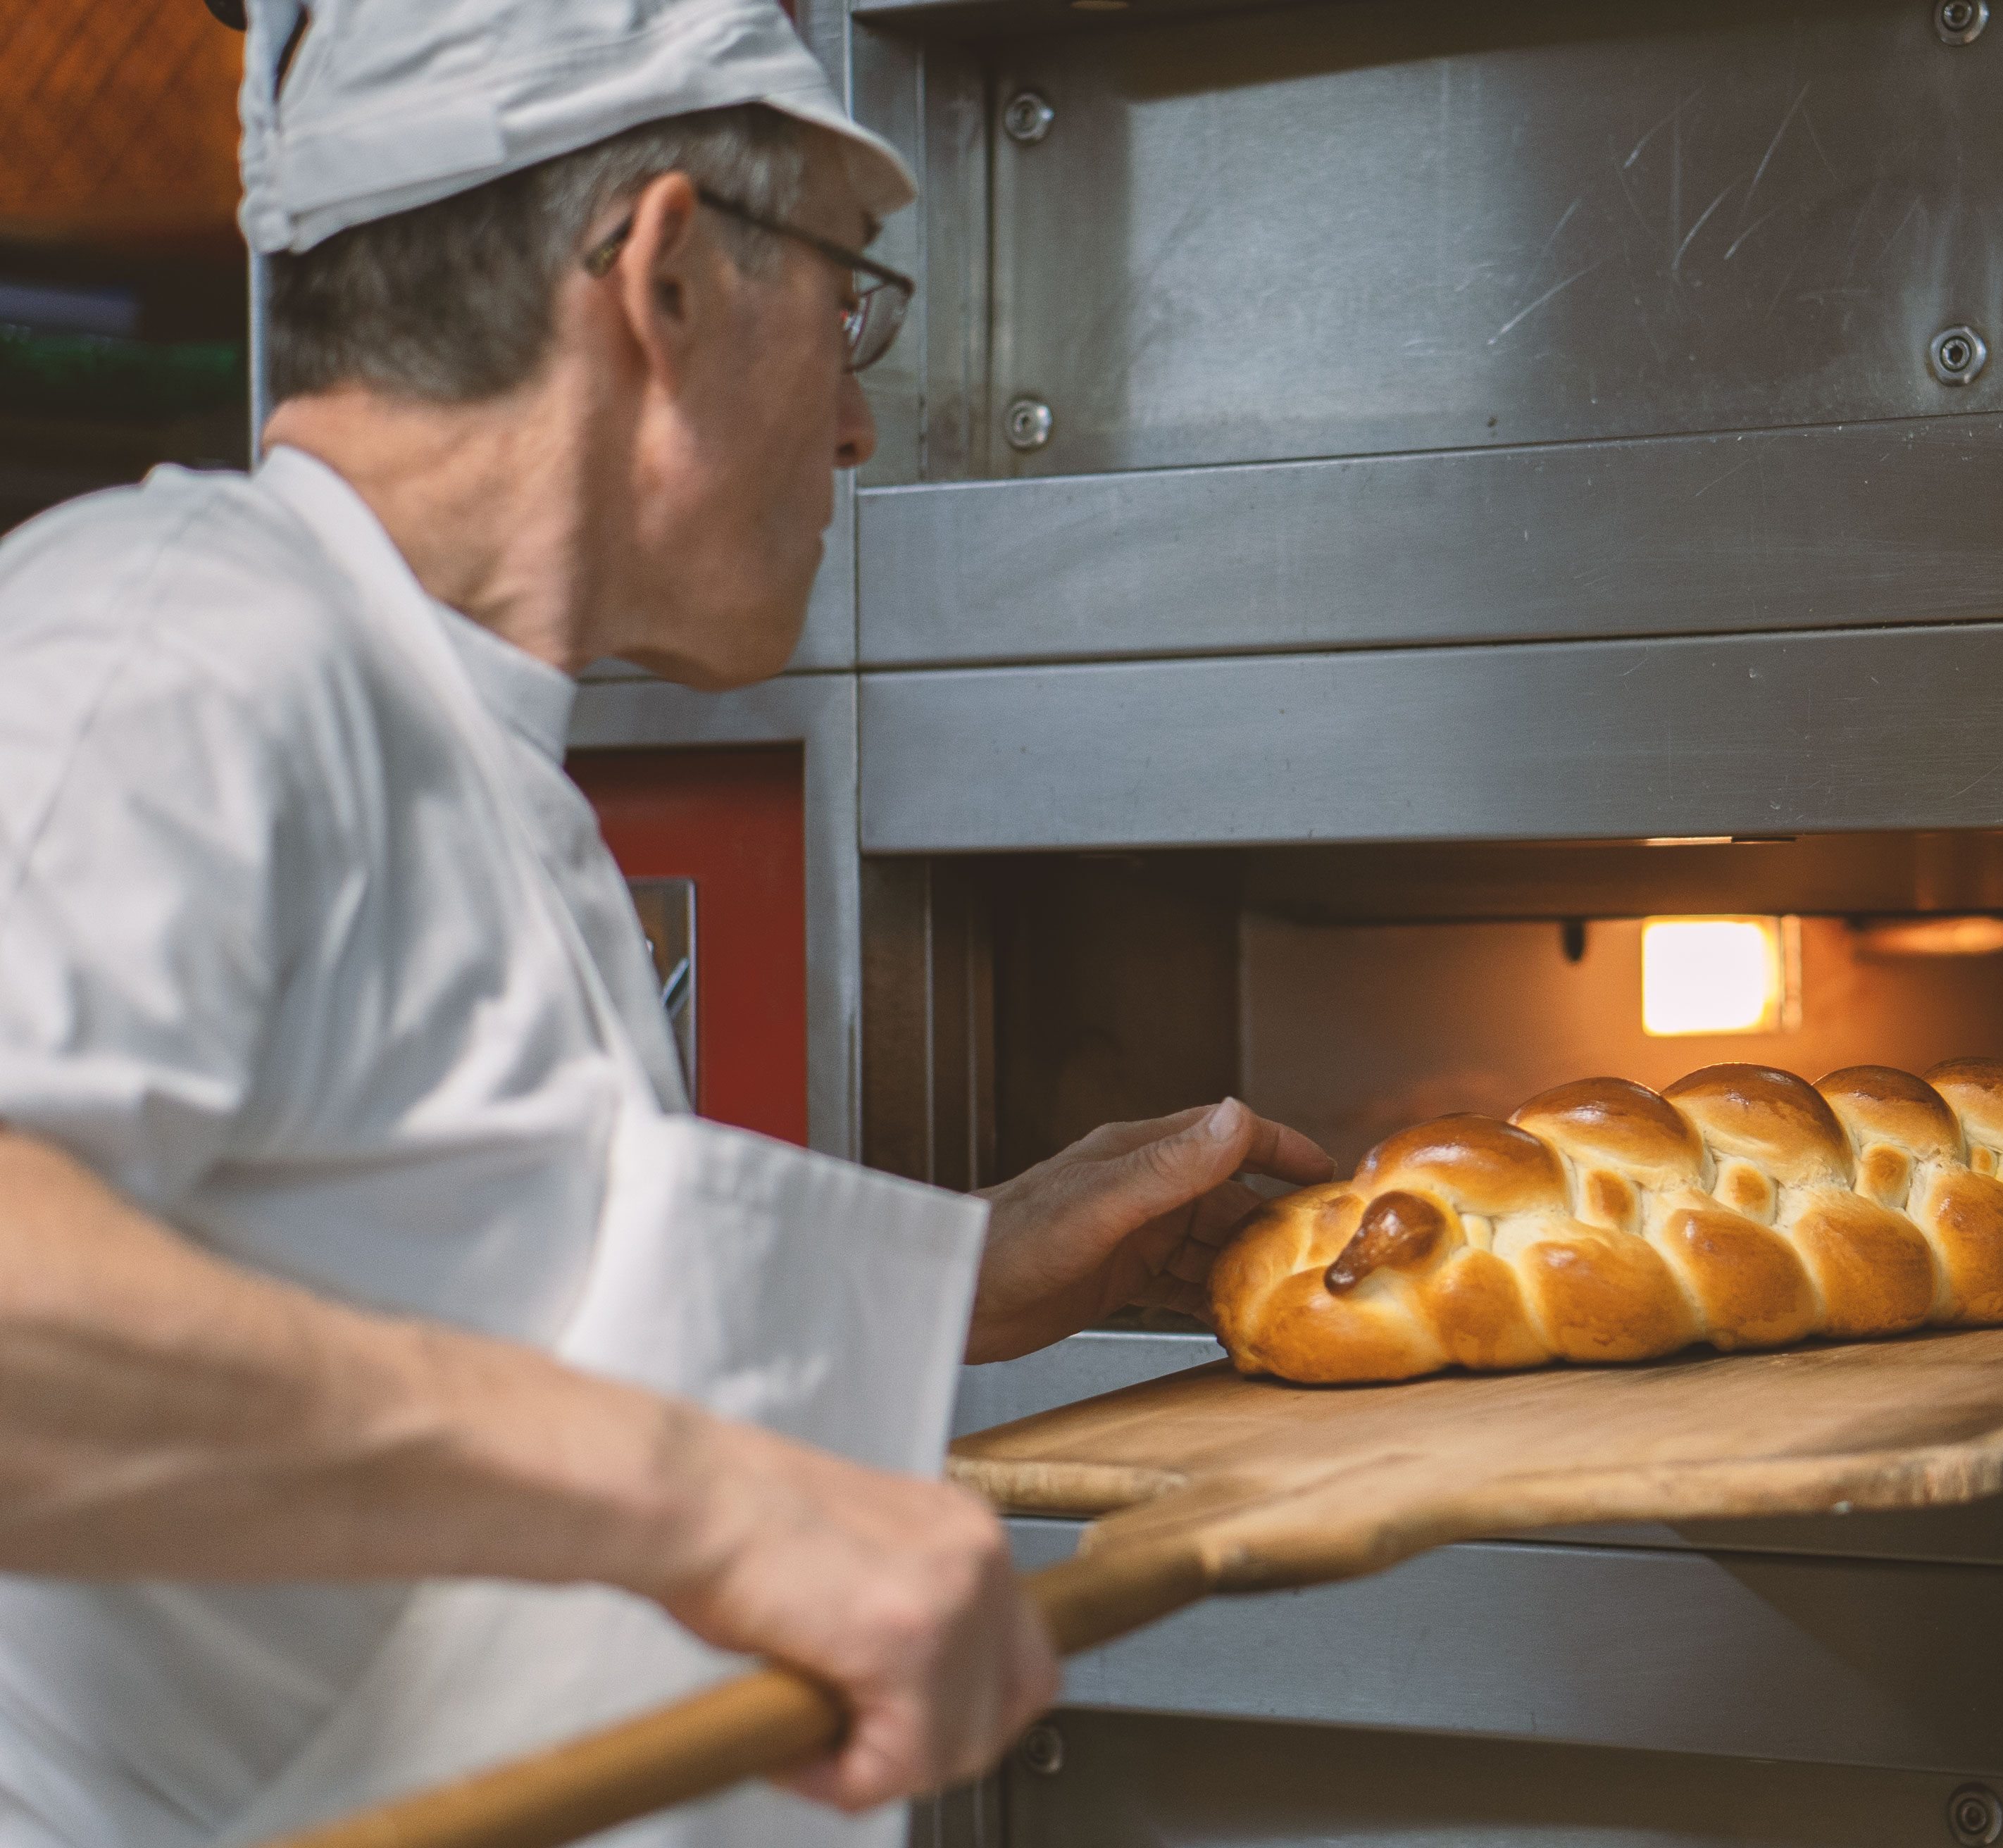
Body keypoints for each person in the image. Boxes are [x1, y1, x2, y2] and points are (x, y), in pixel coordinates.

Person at [0, 3, 1332, 1843]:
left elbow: (424, 1272)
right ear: (672, 274)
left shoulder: (470, 757)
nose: (861, 419)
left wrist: (959, 1279)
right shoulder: (176, 638)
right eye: (851, 300)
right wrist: (708, 1498)